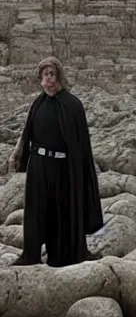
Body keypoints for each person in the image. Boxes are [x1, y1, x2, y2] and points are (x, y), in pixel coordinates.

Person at [7, 57, 103, 267]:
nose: (48, 78)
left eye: (52, 74)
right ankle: (30, 254)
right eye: (45, 74)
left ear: (59, 76)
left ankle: (64, 255)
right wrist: (18, 154)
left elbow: (81, 145)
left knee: (63, 212)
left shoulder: (72, 105)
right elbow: (27, 133)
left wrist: (77, 172)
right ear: (40, 79)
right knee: (36, 211)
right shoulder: (37, 104)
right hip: (39, 166)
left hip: (63, 168)